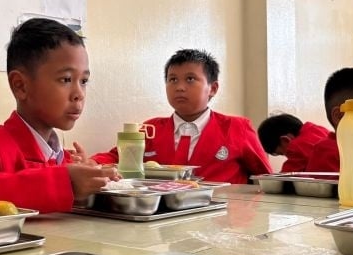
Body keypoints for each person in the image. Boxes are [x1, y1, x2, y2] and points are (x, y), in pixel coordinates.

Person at [0, 18, 118, 213]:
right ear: (20, 85)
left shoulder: (62, 158)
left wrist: (91, 179)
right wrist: (64, 182)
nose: (79, 94)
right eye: (66, 79)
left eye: (84, 81)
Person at [91, 48, 272, 184]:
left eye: (190, 79)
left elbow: (265, 179)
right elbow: (116, 157)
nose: (180, 87)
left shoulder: (237, 127)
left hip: (222, 221)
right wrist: (89, 162)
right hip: (163, 215)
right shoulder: (151, 128)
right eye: (173, 79)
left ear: (213, 88)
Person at [257, 114, 330, 173]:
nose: (287, 156)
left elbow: (285, 177)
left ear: (285, 140)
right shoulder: (319, 130)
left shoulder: (296, 146)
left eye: (282, 153)